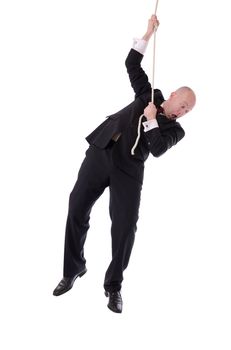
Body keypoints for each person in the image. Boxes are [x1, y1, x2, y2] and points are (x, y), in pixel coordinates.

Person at [53, 15, 196, 313]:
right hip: (102, 151)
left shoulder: (175, 130)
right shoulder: (150, 94)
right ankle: (73, 269)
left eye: (187, 109)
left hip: (128, 170)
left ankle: (113, 287)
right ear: (171, 96)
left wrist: (154, 120)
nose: (183, 111)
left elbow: (157, 149)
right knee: (76, 206)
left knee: (125, 227)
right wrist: (147, 33)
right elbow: (132, 65)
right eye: (182, 103)